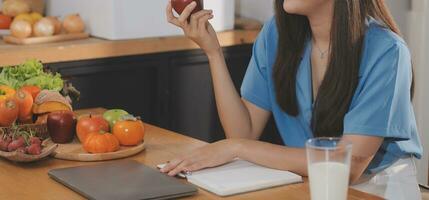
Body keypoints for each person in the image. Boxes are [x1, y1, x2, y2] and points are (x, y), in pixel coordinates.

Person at [162, 0, 423, 199]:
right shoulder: (276, 34)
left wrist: (236, 148)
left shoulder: (387, 51)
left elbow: (349, 166)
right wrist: (213, 52)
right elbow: (242, 130)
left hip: (377, 187)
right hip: (308, 181)